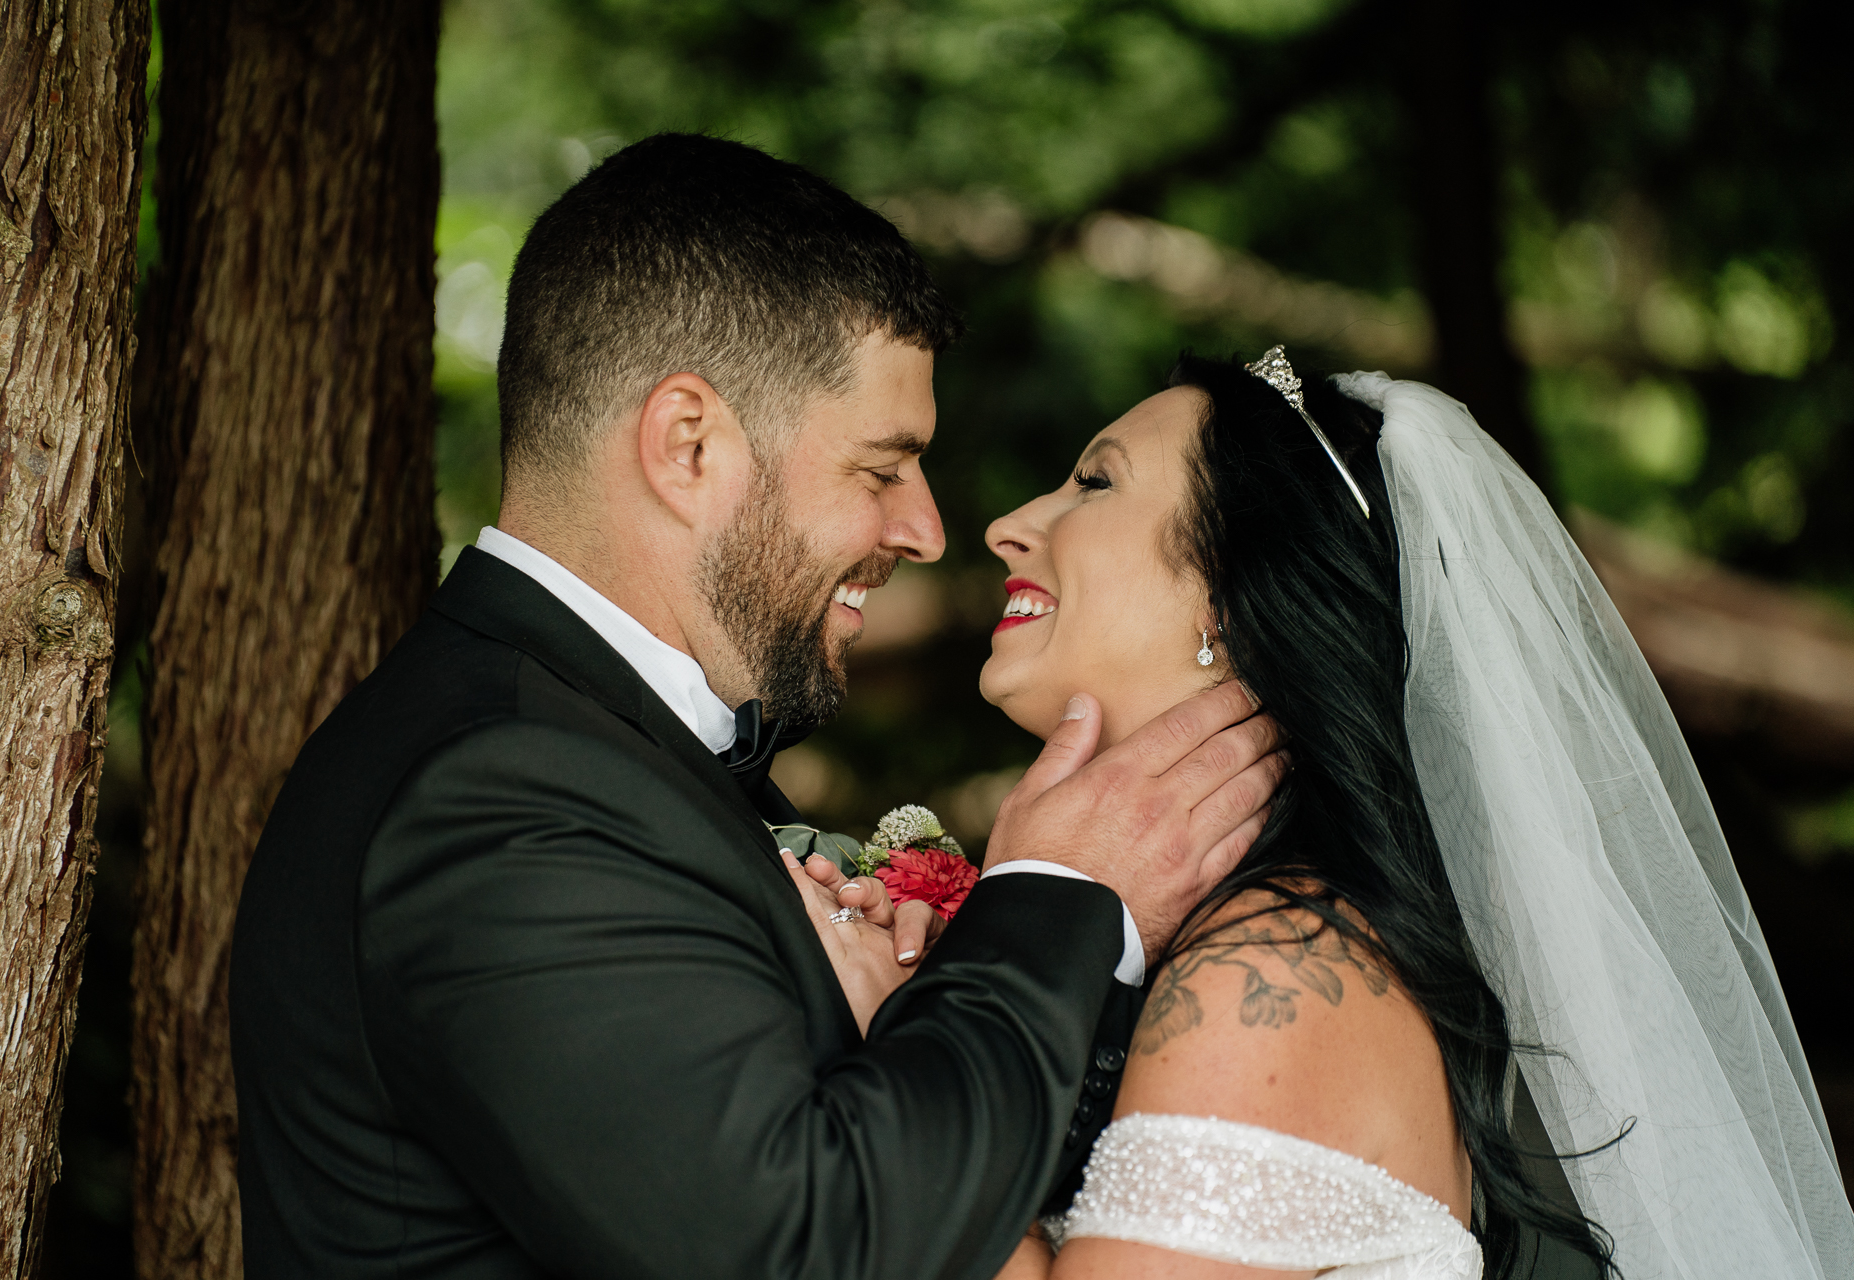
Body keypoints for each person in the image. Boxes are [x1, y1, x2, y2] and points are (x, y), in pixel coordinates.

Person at [229, 133, 1289, 1279]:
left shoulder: (597, 753)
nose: (927, 530)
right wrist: (1057, 897)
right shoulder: (501, 796)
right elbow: (805, 1244)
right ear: (689, 446)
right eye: (881, 469)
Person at [872, 348, 1854, 1279]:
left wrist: (899, 1044)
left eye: (1095, 481)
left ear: (1231, 591)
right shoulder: (1235, 940)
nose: (1010, 521)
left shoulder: (1274, 970)